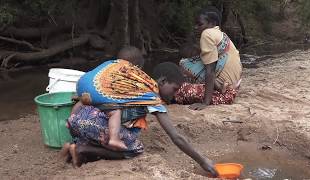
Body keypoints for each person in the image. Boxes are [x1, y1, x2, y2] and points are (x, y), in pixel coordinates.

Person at [60, 58, 218, 177]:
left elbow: (88, 99)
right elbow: (176, 137)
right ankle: (83, 149)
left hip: (77, 119)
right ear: (162, 81)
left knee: (112, 128)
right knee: (135, 149)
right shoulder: (150, 96)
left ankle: (75, 147)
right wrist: (203, 161)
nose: (175, 94)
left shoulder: (131, 83)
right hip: (93, 123)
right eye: (174, 89)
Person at [175, 7, 242, 110]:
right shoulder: (222, 35)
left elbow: (210, 70)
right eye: (195, 24)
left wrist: (205, 103)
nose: (195, 27)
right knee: (187, 64)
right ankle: (218, 85)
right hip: (232, 90)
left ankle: (217, 88)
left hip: (224, 96)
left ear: (212, 24)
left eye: (200, 24)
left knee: (177, 90)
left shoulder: (207, 34)